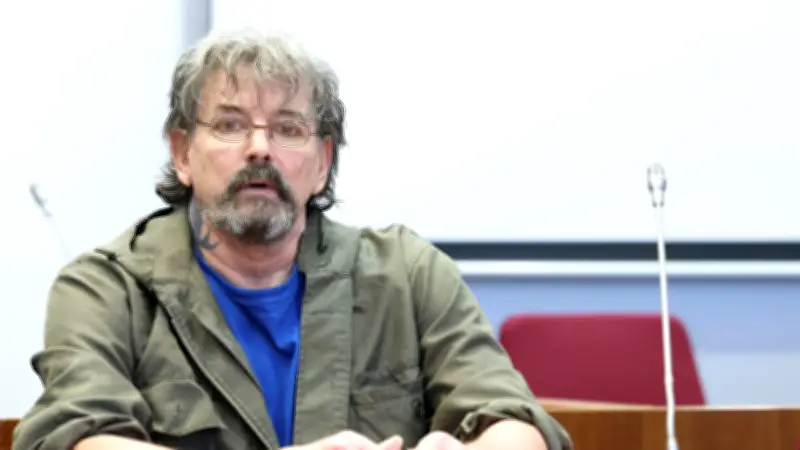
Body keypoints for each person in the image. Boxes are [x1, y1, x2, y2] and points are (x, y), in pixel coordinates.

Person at [12, 28, 572, 450]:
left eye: (288, 128)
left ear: (323, 162)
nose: (260, 148)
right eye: (230, 124)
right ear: (182, 153)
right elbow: (73, 437)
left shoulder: (409, 275)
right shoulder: (107, 288)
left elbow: (517, 422)